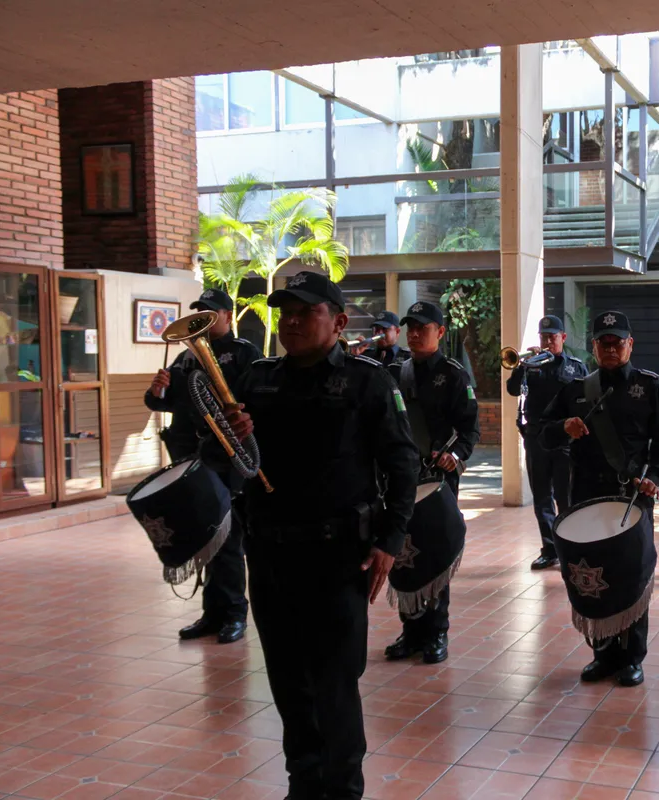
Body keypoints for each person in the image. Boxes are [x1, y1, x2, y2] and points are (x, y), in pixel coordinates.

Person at [215, 271, 420, 800]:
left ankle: (343, 789)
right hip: (269, 553)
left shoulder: (367, 380)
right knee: (287, 681)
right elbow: (230, 465)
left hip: (336, 557)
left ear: (340, 321)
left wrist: (390, 539)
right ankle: (303, 785)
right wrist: (230, 440)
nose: (292, 321)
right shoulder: (256, 381)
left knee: (333, 682)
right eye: (285, 312)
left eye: (306, 311)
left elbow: (402, 463)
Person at [540, 310, 659, 688]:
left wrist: (654, 477)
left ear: (630, 344)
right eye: (604, 342)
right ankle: (603, 654)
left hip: (632, 497)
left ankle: (632, 657)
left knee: (632, 576)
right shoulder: (574, 389)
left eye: (618, 342)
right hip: (587, 496)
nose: (611, 348)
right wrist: (562, 428)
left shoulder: (651, 387)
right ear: (594, 347)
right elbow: (543, 434)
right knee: (595, 574)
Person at [144, 287, 261, 644]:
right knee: (203, 534)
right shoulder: (184, 359)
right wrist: (158, 391)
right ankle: (212, 613)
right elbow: (164, 405)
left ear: (227, 316)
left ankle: (234, 613)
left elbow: (253, 402)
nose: (203, 320)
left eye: (210, 314)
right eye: (199, 313)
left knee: (227, 537)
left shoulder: (245, 353)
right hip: (192, 460)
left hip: (226, 459)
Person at [383, 300, 480, 665]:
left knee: (435, 553)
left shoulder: (454, 375)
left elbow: (469, 429)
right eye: (410, 327)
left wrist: (454, 456)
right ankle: (410, 630)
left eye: (422, 328)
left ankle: (436, 633)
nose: (413, 334)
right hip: (400, 479)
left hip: (438, 480)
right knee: (404, 553)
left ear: (440, 332)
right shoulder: (394, 370)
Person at [505, 314, 587, 570]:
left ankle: (569, 549)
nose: (548, 341)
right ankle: (549, 549)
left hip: (564, 441)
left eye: (553, 337)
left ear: (563, 338)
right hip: (536, 438)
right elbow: (512, 390)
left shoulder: (575, 367)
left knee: (565, 497)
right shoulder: (532, 365)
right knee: (541, 496)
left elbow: (586, 398)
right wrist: (522, 366)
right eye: (544, 337)